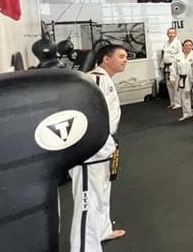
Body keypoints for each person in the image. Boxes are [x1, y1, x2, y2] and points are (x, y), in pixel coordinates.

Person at [70, 45, 127, 252]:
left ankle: (102, 230)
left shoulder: (103, 80)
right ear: (105, 58)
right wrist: (92, 143)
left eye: (126, 57)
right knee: (87, 203)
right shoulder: (94, 80)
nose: (125, 60)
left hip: (103, 146)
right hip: (89, 150)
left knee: (102, 193)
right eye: (121, 56)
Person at [173, 39, 193, 121]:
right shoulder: (178, 56)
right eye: (186, 45)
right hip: (181, 78)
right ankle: (187, 113)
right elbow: (173, 67)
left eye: (190, 45)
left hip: (192, 78)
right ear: (183, 46)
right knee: (184, 96)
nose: (188, 47)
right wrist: (173, 77)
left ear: (192, 46)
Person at [161, 27, 182, 109]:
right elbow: (164, 55)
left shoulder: (178, 43)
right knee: (169, 85)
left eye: (172, 33)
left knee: (175, 84)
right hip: (166, 66)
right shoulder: (166, 43)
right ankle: (172, 102)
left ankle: (178, 103)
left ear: (175, 34)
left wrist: (178, 67)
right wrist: (162, 64)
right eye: (169, 33)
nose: (171, 34)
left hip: (174, 66)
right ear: (167, 34)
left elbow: (180, 55)